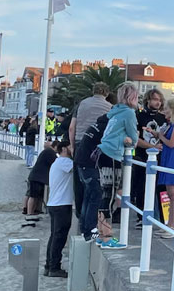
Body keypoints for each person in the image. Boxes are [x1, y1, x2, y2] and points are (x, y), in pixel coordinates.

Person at [96, 82, 139, 249]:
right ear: (131, 97)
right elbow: (134, 138)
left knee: (105, 194)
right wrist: (129, 140)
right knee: (110, 196)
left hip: (102, 153)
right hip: (113, 154)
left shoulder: (114, 112)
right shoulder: (129, 113)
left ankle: (101, 234)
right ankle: (107, 237)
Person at [69, 82, 112, 221]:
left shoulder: (82, 104)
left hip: (80, 142)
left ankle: (80, 213)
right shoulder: (109, 107)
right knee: (96, 182)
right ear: (106, 93)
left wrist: (72, 146)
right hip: (99, 145)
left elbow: (71, 127)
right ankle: (95, 215)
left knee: (79, 182)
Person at [147, 98, 174, 238]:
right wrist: (158, 134)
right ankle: (169, 224)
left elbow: (171, 143)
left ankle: (173, 225)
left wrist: (160, 135)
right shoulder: (173, 124)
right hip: (168, 156)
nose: (164, 112)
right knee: (170, 194)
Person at [132, 89, 166, 229]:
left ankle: (164, 218)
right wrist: (151, 147)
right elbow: (136, 139)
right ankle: (142, 216)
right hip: (142, 156)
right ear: (148, 100)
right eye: (155, 99)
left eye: (159, 100)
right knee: (142, 188)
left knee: (161, 188)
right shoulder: (139, 116)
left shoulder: (163, 118)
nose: (157, 102)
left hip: (160, 158)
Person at [44, 140, 73, 278]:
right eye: (71, 146)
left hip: (55, 204)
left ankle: (49, 266)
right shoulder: (64, 162)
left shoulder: (57, 163)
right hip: (62, 205)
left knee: (54, 236)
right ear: (64, 149)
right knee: (59, 237)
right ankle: (54, 267)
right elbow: (79, 168)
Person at [25, 140, 59, 219]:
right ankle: (30, 213)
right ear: (55, 146)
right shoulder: (50, 152)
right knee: (33, 196)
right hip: (37, 178)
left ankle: (32, 211)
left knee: (35, 196)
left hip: (37, 177)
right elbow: (56, 162)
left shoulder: (47, 151)